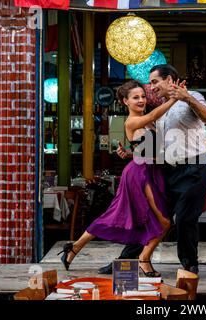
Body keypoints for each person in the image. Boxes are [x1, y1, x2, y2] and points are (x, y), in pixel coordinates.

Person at [98, 64, 206, 275]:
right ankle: (125, 260)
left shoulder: (193, 96)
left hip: (194, 169)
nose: (151, 88)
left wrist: (187, 98)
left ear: (169, 80)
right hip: (168, 170)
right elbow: (158, 148)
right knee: (152, 215)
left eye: (154, 82)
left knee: (185, 218)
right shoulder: (160, 110)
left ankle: (190, 264)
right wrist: (133, 154)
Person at [58, 80, 180, 277]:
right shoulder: (132, 121)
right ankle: (144, 259)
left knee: (135, 217)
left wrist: (131, 153)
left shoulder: (147, 121)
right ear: (125, 101)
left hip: (149, 170)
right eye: (135, 97)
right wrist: (174, 98)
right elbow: (155, 115)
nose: (141, 100)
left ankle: (74, 248)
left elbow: (146, 151)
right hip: (140, 175)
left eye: (142, 96)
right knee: (161, 221)